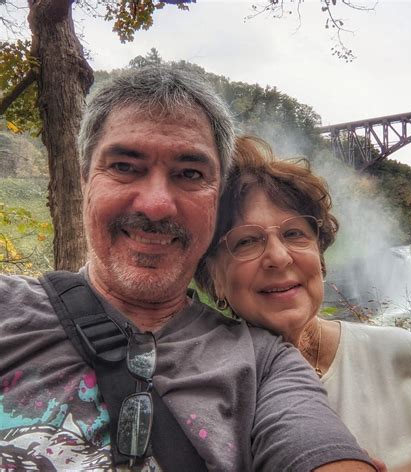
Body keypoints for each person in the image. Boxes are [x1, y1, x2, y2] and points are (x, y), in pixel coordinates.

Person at [0, 66, 376, 471]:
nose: (156, 205)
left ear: (216, 200)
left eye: (190, 174)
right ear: (85, 181)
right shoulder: (9, 309)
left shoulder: (264, 366)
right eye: (125, 166)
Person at [195, 135, 411, 470]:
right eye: (247, 241)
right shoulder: (202, 397)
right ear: (214, 276)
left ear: (320, 254)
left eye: (294, 234)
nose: (279, 257)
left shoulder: (402, 354)